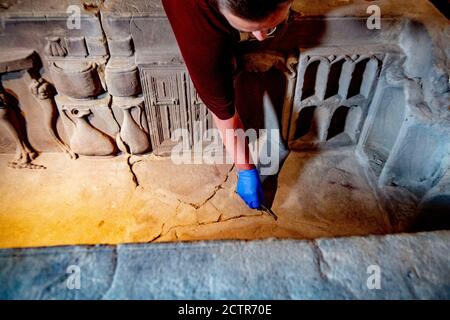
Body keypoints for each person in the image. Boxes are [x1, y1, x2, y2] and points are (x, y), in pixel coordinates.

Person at [162, 0, 293, 209]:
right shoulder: (201, 34)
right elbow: (224, 113)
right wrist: (246, 169)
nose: (261, 37)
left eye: (271, 26)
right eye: (250, 29)